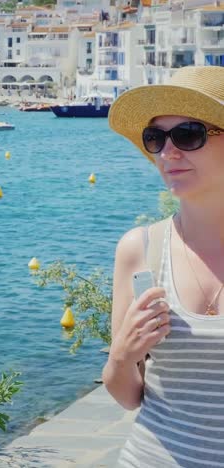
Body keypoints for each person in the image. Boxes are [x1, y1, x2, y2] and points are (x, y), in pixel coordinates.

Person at [103, 65, 224, 467]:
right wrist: (121, 357)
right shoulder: (140, 250)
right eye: (156, 138)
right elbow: (127, 395)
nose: (168, 153)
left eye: (188, 135)